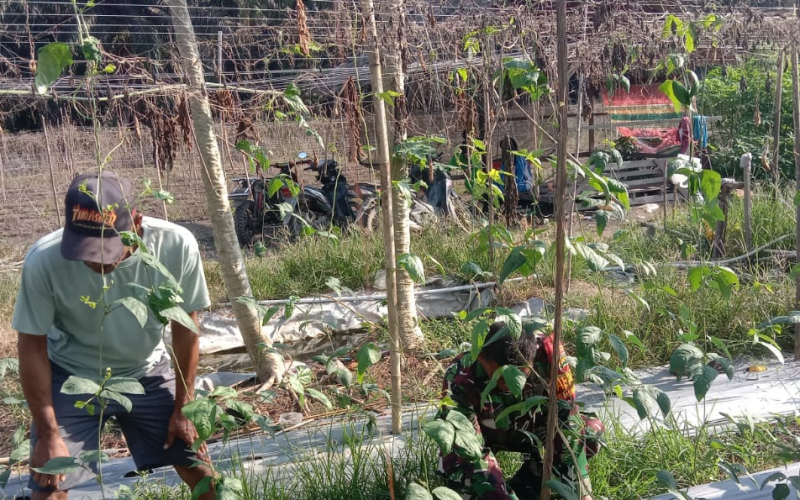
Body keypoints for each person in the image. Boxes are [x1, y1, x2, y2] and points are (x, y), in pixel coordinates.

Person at [12, 172, 215, 500]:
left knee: (201, 471)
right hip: (70, 377)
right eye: (85, 248)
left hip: (147, 371)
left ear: (135, 223)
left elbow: (185, 328)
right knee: (49, 481)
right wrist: (49, 432)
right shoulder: (45, 259)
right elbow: (31, 346)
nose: (93, 260)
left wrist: (184, 407)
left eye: (104, 248)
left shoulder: (175, 246)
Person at [438, 322, 604, 500]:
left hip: (531, 429)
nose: (508, 385)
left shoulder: (548, 354)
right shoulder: (460, 376)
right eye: (499, 377)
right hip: (486, 436)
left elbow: (568, 419)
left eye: (520, 377)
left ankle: (526, 484)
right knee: (458, 467)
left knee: (589, 433)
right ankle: (500, 491)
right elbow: (469, 447)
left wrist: (582, 492)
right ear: (481, 357)